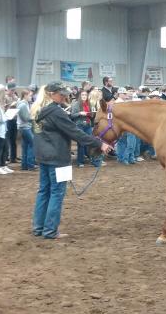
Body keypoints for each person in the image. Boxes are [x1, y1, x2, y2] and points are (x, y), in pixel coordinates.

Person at [31, 81, 112, 239]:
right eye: (61, 94)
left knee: (44, 191)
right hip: (59, 158)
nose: (64, 97)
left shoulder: (38, 110)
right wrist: (99, 143)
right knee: (57, 193)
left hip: (43, 157)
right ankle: (50, 231)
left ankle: (39, 228)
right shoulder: (56, 112)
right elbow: (75, 132)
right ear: (51, 94)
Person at [70, 90, 102, 168]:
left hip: (87, 125)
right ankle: (80, 161)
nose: (84, 96)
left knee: (91, 142)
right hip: (80, 125)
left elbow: (91, 116)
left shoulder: (89, 104)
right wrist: (80, 113)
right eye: (82, 95)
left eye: (85, 95)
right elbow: (72, 115)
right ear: (80, 96)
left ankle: (93, 160)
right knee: (81, 144)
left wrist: (92, 114)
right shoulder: (76, 104)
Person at [17, 89, 36, 171]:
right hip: (25, 127)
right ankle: (30, 165)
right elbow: (25, 118)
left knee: (25, 146)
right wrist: (34, 117)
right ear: (25, 95)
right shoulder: (23, 105)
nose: (31, 97)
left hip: (23, 127)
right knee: (32, 145)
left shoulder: (24, 104)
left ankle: (24, 165)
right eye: (30, 95)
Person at [0, 84, 12, 175]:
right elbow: (1, 119)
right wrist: (6, 116)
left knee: (4, 148)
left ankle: (2, 165)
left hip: (2, 129)